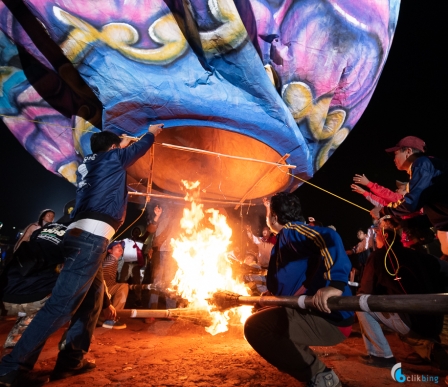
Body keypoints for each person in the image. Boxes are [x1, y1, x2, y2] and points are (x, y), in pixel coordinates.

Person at [0, 123, 164, 386]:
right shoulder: (112, 157)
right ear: (113, 147)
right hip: (90, 238)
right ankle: (11, 367)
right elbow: (140, 147)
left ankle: (71, 361)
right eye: (117, 146)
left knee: (92, 299)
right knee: (61, 307)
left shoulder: (88, 164)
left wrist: (117, 144)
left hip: (83, 238)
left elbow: (110, 155)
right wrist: (151, 133)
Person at [244, 192, 353, 387]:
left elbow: (328, 236)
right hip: (312, 313)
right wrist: (272, 295)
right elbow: (293, 278)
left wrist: (335, 285)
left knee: (256, 327)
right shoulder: (284, 239)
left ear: (275, 218)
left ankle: (320, 375)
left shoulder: (293, 231)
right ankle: (314, 371)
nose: (267, 216)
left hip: (330, 318)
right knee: (264, 317)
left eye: (269, 211)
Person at [356, 217, 446, 369]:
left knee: (361, 304)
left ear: (385, 236)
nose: (375, 239)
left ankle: (381, 355)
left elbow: (366, 291)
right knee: (406, 313)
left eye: (377, 235)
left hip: (412, 322)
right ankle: (428, 348)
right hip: (435, 323)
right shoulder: (424, 257)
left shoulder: (378, 256)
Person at [371, 136, 448, 255]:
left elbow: (412, 202)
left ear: (408, 151)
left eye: (395, 154)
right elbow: (436, 215)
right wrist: (405, 223)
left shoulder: (421, 164)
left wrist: (384, 211)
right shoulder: (426, 168)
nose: (394, 159)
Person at [100, 240, 128, 329]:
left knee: (122, 286)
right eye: (116, 247)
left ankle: (108, 316)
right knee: (123, 287)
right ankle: (111, 318)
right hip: (101, 289)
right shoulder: (111, 259)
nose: (120, 248)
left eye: (121, 247)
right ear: (110, 251)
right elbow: (104, 277)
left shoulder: (114, 260)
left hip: (103, 289)